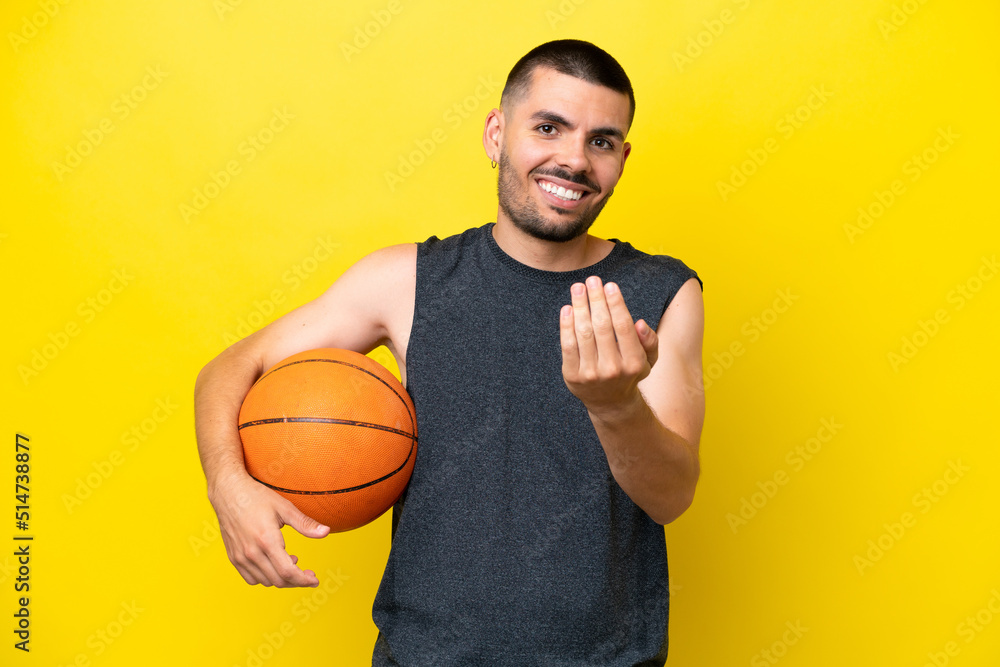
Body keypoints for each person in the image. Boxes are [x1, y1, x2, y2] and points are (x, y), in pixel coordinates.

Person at [195, 39, 704, 666]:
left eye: (600, 141)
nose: (573, 160)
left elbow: (672, 496)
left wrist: (615, 405)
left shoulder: (662, 290)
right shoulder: (404, 281)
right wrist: (228, 483)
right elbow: (228, 369)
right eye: (548, 127)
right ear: (496, 134)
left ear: (622, 158)